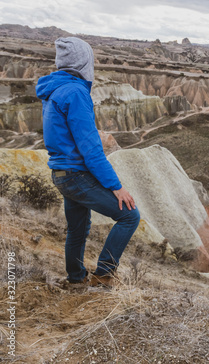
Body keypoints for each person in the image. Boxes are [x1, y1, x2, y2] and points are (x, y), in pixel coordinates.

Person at [36, 37, 140, 288]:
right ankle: (103, 276)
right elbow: (91, 150)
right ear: (84, 61)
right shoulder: (76, 93)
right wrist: (116, 186)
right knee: (129, 216)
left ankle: (76, 280)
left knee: (78, 229)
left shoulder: (54, 91)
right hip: (76, 174)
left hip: (61, 172)